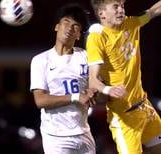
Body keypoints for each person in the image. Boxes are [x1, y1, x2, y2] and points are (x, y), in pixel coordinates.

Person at [86, 0, 161, 153]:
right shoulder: (97, 38)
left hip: (145, 108)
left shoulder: (131, 23)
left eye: (122, 6)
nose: (121, 10)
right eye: (116, 6)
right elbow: (92, 81)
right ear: (102, 14)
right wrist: (108, 89)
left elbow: (155, 11)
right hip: (124, 119)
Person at [30, 3, 96, 154]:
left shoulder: (86, 57)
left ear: (79, 35)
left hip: (84, 133)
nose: (70, 28)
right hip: (56, 137)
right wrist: (76, 97)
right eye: (66, 22)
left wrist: (94, 92)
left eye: (76, 26)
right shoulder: (41, 60)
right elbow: (40, 100)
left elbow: (98, 91)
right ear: (56, 27)